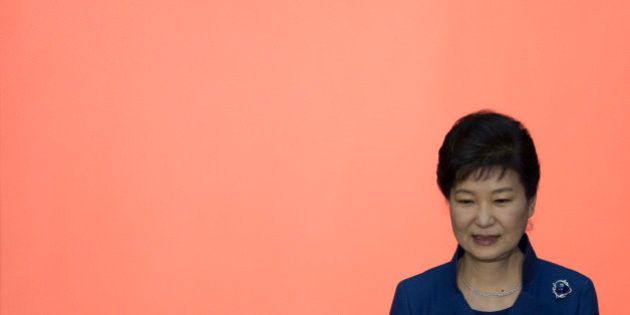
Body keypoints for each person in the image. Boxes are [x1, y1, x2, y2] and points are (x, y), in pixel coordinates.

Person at [389, 110, 599, 314]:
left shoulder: (572, 298)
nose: (483, 219)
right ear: (449, 201)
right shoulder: (415, 300)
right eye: (466, 201)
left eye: (501, 200)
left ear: (531, 202)